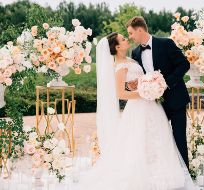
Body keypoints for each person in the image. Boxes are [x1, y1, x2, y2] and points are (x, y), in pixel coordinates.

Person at [75, 32, 196, 190]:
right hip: (138, 106)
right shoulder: (119, 66)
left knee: (159, 136)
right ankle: (142, 175)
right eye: (123, 39)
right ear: (117, 47)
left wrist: (147, 84)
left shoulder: (132, 58)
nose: (127, 39)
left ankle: (163, 171)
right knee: (138, 139)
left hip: (152, 105)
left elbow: (135, 81)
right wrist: (145, 93)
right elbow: (120, 93)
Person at [126, 16, 190, 168]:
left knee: (179, 137)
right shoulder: (135, 53)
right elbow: (138, 77)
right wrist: (135, 84)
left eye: (131, 33)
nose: (130, 37)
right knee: (156, 139)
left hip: (176, 100)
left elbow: (184, 64)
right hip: (153, 104)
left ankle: (185, 174)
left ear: (140, 29)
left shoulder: (166, 43)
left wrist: (165, 83)